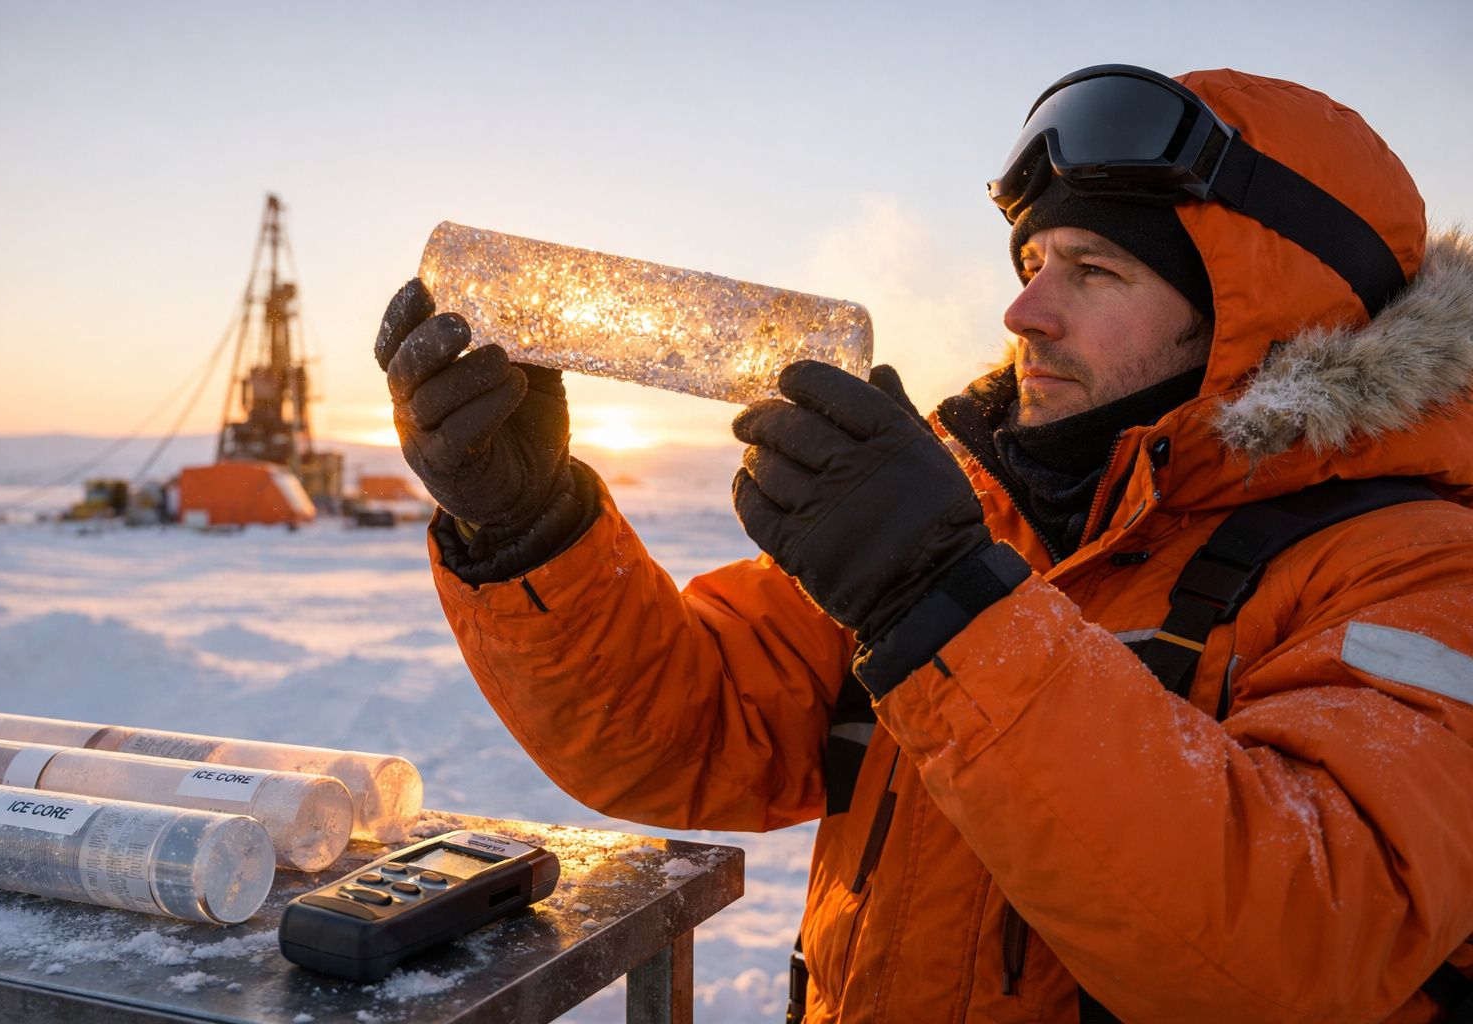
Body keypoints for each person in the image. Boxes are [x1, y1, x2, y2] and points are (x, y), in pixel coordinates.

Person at [376, 65, 1473, 1022]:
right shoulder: (975, 509)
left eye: (1094, 270)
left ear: (1262, 319)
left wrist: (943, 602)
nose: (1024, 313)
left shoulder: (1422, 571)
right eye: (1032, 263)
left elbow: (1298, 945)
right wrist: (530, 527)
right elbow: (694, 732)